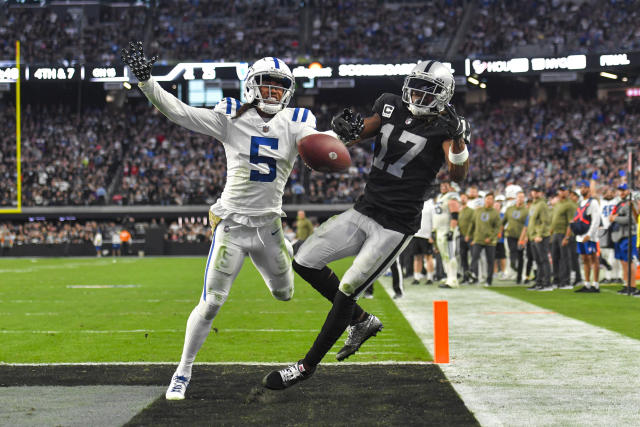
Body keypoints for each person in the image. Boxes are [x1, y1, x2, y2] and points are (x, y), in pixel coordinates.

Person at [122, 42, 325, 400]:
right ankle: (182, 371)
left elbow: (325, 146)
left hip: (269, 229)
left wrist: (341, 135)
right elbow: (180, 112)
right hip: (231, 226)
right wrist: (147, 82)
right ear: (251, 85)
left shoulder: (297, 122)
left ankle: (288, 247)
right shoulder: (231, 116)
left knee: (284, 295)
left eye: (280, 86)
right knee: (212, 300)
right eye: (267, 84)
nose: (274, 91)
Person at [263, 60, 470, 390]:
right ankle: (360, 319)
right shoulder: (391, 104)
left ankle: (306, 366)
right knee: (304, 259)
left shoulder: (448, 125)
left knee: (348, 288)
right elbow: (361, 131)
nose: (416, 93)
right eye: (415, 85)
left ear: (443, 95)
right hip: (366, 208)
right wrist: (343, 131)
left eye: (426, 89)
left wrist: (459, 140)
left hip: (396, 224)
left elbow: (457, 174)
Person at [573, 180, 601, 293]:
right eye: (581, 187)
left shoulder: (592, 203)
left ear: (589, 189)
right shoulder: (580, 203)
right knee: (584, 259)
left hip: (590, 237)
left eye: (584, 187)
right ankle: (587, 283)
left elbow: (596, 220)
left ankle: (596, 284)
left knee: (593, 258)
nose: (582, 189)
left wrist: (589, 234)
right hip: (580, 236)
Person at [610, 183, 639, 295]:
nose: (621, 192)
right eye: (620, 190)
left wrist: (615, 218)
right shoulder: (620, 203)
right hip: (619, 235)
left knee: (629, 261)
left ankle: (632, 285)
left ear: (628, 191)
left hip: (628, 235)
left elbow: (631, 219)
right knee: (623, 262)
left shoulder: (630, 203)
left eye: (624, 190)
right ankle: (627, 284)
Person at [433, 180, 461, 288]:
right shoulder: (440, 197)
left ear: (450, 187)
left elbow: (455, 216)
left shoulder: (451, 198)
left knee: (450, 255)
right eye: (442, 185)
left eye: (445, 185)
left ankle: (453, 280)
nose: (443, 187)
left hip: (447, 230)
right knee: (444, 256)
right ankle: (449, 277)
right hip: (439, 230)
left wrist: (452, 230)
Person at [469, 192, 501, 286]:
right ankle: (474, 276)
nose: (488, 200)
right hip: (478, 239)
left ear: (493, 201)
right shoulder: (478, 211)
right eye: (487, 198)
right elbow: (472, 223)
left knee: (490, 261)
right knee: (474, 257)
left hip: (490, 242)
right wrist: (469, 235)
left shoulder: (495, 213)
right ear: (484, 200)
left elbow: (497, 228)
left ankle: (489, 280)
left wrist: (490, 238)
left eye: (491, 199)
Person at [549, 184, 575, 289]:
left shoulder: (570, 205)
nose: (562, 192)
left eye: (564, 190)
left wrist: (567, 237)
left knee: (565, 258)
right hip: (555, 233)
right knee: (555, 258)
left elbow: (571, 222)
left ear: (567, 192)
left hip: (564, 233)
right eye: (560, 190)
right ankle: (556, 279)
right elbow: (554, 220)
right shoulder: (558, 204)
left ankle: (566, 281)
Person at [527, 187, 552, 291]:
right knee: (537, 261)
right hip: (533, 236)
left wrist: (540, 235)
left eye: (537, 192)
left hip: (540, 237)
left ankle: (547, 283)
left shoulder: (542, 204)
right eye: (533, 191)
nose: (535, 193)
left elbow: (545, 221)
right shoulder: (533, 204)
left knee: (544, 260)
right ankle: (539, 282)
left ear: (540, 193)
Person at [503, 191, 527, 284]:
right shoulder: (509, 209)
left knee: (520, 256)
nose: (521, 199)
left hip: (521, 236)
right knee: (512, 251)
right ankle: (513, 266)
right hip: (510, 235)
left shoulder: (526, 210)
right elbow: (504, 221)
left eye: (522, 197)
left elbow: (528, 224)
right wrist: (500, 231)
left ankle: (519, 277)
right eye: (519, 197)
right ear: (516, 198)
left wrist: (525, 237)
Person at [411, 198, 435, 285]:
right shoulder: (415, 203)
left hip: (426, 235)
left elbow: (434, 220)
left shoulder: (430, 205)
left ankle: (430, 277)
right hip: (416, 234)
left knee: (428, 257)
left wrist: (432, 234)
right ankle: (416, 277)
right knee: (417, 257)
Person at [458, 192, 475, 283]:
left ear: (467, 199)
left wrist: (469, 235)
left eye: (464, 198)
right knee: (463, 258)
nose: (463, 199)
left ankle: (473, 276)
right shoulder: (459, 211)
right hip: (461, 237)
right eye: (462, 198)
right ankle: (465, 277)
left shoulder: (471, 211)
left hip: (470, 237)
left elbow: (473, 224)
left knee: (472, 258)